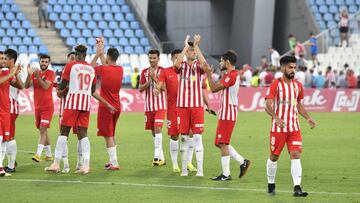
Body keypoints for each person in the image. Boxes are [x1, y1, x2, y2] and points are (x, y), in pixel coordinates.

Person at [45, 44, 114, 174]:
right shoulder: (91, 69)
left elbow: (63, 84)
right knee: (83, 135)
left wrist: (59, 88)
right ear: (86, 55)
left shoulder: (71, 66)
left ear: (76, 55)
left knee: (64, 133)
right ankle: (85, 165)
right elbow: (93, 90)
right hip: (85, 104)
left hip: (72, 103)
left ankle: (55, 164)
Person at [265, 55, 316, 197]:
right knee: (274, 157)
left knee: (296, 155)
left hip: (294, 127)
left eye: (294, 67)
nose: (293, 70)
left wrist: (308, 118)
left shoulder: (298, 86)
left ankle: (297, 188)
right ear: (282, 68)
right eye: (290, 67)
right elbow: (267, 105)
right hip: (278, 128)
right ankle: (271, 183)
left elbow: (298, 105)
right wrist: (276, 117)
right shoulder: (276, 84)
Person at [203, 50, 251, 181]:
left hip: (228, 114)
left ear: (227, 62)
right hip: (225, 113)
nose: (220, 63)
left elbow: (213, 89)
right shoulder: (230, 75)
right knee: (219, 143)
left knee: (222, 143)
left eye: (221, 61)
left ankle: (226, 174)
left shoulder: (231, 76)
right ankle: (242, 162)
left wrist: (208, 74)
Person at [173, 35, 206, 177]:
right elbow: (176, 63)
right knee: (184, 138)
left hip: (197, 106)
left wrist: (197, 46)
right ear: (186, 52)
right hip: (182, 107)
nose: (193, 52)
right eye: (191, 50)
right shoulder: (181, 67)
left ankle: (200, 170)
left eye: (194, 51)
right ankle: (184, 170)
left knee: (197, 138)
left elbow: (205, 65)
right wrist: (186, 45)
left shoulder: (199, 67)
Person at [90, 41, 123, 170]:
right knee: (111, 134)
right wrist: (102, 51)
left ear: (108, 57)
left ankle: (114, 163)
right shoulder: (119, 69)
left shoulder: (104, 69)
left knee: (108, 135)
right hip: (117, 106)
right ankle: (112, 160)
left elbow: (89, 68)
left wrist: (98, 54)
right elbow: (107, 66)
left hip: (106, 107)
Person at [25, 54, 55, 163]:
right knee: (43, 130)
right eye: (42, 61)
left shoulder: (51, 73)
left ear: (49, 63)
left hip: (47, 107)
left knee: (43, 129)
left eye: (46, 62)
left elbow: (46, 86)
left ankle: (38, 154)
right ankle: (49, 155)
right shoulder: (34, 73)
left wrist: (37, 76)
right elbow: (26, 86)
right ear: (39, 61)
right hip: (37, 107)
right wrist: (29, 75)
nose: (44, 63)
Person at [139, 49, 167, 166]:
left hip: (160, 106)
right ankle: (162, 158)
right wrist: (150, 79)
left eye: (154, 58)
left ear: (158, 59)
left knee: (158, 129)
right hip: (149, 107)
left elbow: (166, 88)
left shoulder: (164, 71)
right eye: (150, 58)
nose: (152, 60)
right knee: (154, 132)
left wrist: (155, 78)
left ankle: (156, 156)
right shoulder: (144, 72)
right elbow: (140, 89)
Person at [0, 49, 23, 176]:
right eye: (2, 59)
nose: (3, 61)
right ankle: (8, 164)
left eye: (5, 59)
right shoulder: (6, 72)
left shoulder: (8, 72)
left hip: (9, 108)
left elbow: (21, 86)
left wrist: (16, 74)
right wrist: (12, 73)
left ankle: (9, 165)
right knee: (4, 138)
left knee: (7, 137)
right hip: (6, 108)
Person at [56, 51, 76, 173]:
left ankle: (81, 164)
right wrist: (67, 89)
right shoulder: (61, 73)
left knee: (81, 136)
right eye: (71, 58)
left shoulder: (80, 72)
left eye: (75, 58)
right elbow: (58, 93)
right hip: (65, 109)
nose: (73, 61)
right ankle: (66, 164)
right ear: (68, 60)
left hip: (79, 108)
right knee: (64, 137)